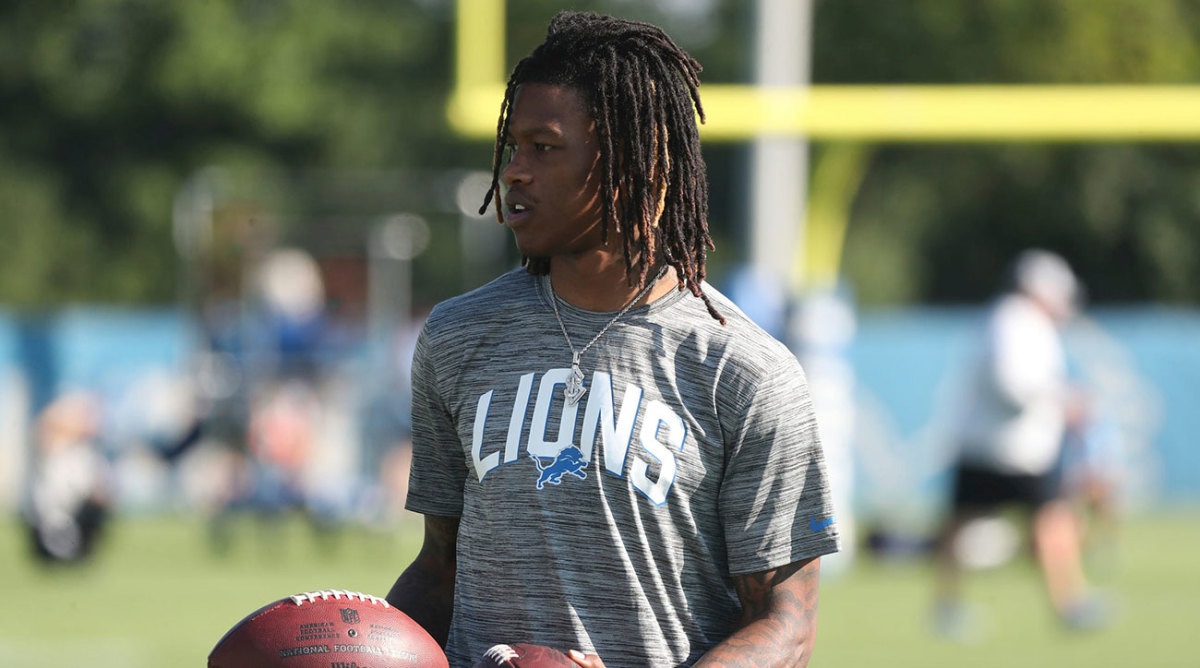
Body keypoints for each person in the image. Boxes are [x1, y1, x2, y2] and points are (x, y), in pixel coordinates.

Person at [385, 11, 838, 667]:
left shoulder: (745, 373)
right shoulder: (458, 336)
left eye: (544, 148)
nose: (513, 172)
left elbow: (784, 624)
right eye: (512, 147)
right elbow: (439, 568)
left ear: (634, 163)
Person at [933, 249, 1109, 637]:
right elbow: (1012, 383)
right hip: (1005, 448)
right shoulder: (1012, 320)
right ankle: (950, 606)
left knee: (1046, 520)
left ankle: (1068, 603)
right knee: (979, 524)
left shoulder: (1018, 321)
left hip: (1013, 447)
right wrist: (1061, 400)